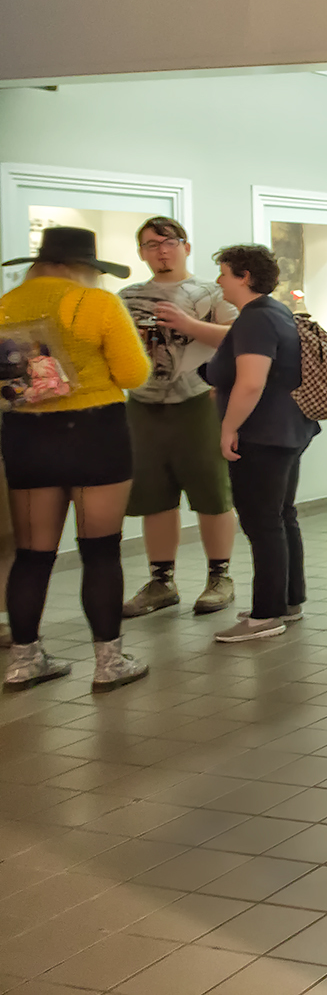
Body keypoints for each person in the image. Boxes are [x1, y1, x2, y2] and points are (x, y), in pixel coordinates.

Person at [0, 227, 151, 691]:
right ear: (80, 266)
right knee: (100, 550)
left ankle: (25, 661)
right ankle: (109, 663)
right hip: (94, 433)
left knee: (32, 554)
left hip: (27, 435)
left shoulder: (5, 306)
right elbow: (133, 373)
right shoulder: (96, 303)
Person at [119, 216, 238, 618]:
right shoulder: (127, 297)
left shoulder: (211, 292)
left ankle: (220, 577)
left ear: (186, 247)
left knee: (212, 492)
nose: (161, 251)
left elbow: (238, 335)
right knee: (153, 495)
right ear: (141, 253)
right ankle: (161, 581)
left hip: (199, 401)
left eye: (169, 242)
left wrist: (188, 325)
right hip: (143, 404)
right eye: (151, 245)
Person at [203, 244, 319, 644]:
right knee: (282, 515)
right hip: (288, 430)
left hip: (262, 435)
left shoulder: (255, 319)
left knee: (262, 521)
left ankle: (266, 615)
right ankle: (287, 600)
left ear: (244, 277)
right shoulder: (277, 311)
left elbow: (251, 382)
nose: (219, 281)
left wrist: (228, 427)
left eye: (224, 273)